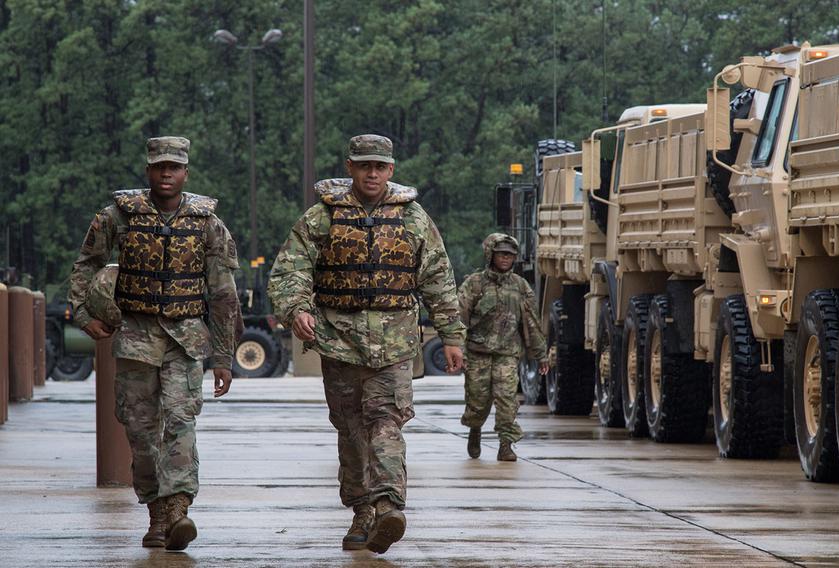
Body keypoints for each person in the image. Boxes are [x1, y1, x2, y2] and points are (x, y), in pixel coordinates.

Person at [268, 134, 465, 554]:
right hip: (339, 342)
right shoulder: (322, 218)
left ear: (391, 170)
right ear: (350, 167)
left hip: (394, 344)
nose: (372, 173)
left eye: (379, 166)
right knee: (351, 430)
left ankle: (388, 504)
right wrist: (297, 309)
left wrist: (451, 336)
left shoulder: (413, 219)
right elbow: (292, 269)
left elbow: (438, 280)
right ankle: (361, 511)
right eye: (364, 166)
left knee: (387, 421)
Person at [69, 136, 241, 551]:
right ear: (148, 170)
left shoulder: (207, 224)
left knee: (180, 424)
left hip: (185, 341)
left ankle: (180, 509)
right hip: (135, 340)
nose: (167, 173)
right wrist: (81, 313)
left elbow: (223, 293)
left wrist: (223, 356)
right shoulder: (118, 216)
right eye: (159, 166)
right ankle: (157, 514)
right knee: (142, 432)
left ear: (186, 172)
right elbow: (86, 264)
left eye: (175, 167)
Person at [458, 233, 548, 461]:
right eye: (501, 254)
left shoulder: (520, 286)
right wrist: (458, 350)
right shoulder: (474, 284)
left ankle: (506, 445)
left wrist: (541, 355)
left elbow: (532, 323)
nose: (506, 258)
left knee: (507, 400)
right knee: (477, 403)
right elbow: (459, 319)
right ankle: (475, 430)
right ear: (490, 255)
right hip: (478, 354)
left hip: (507, 355)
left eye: (510, 255)